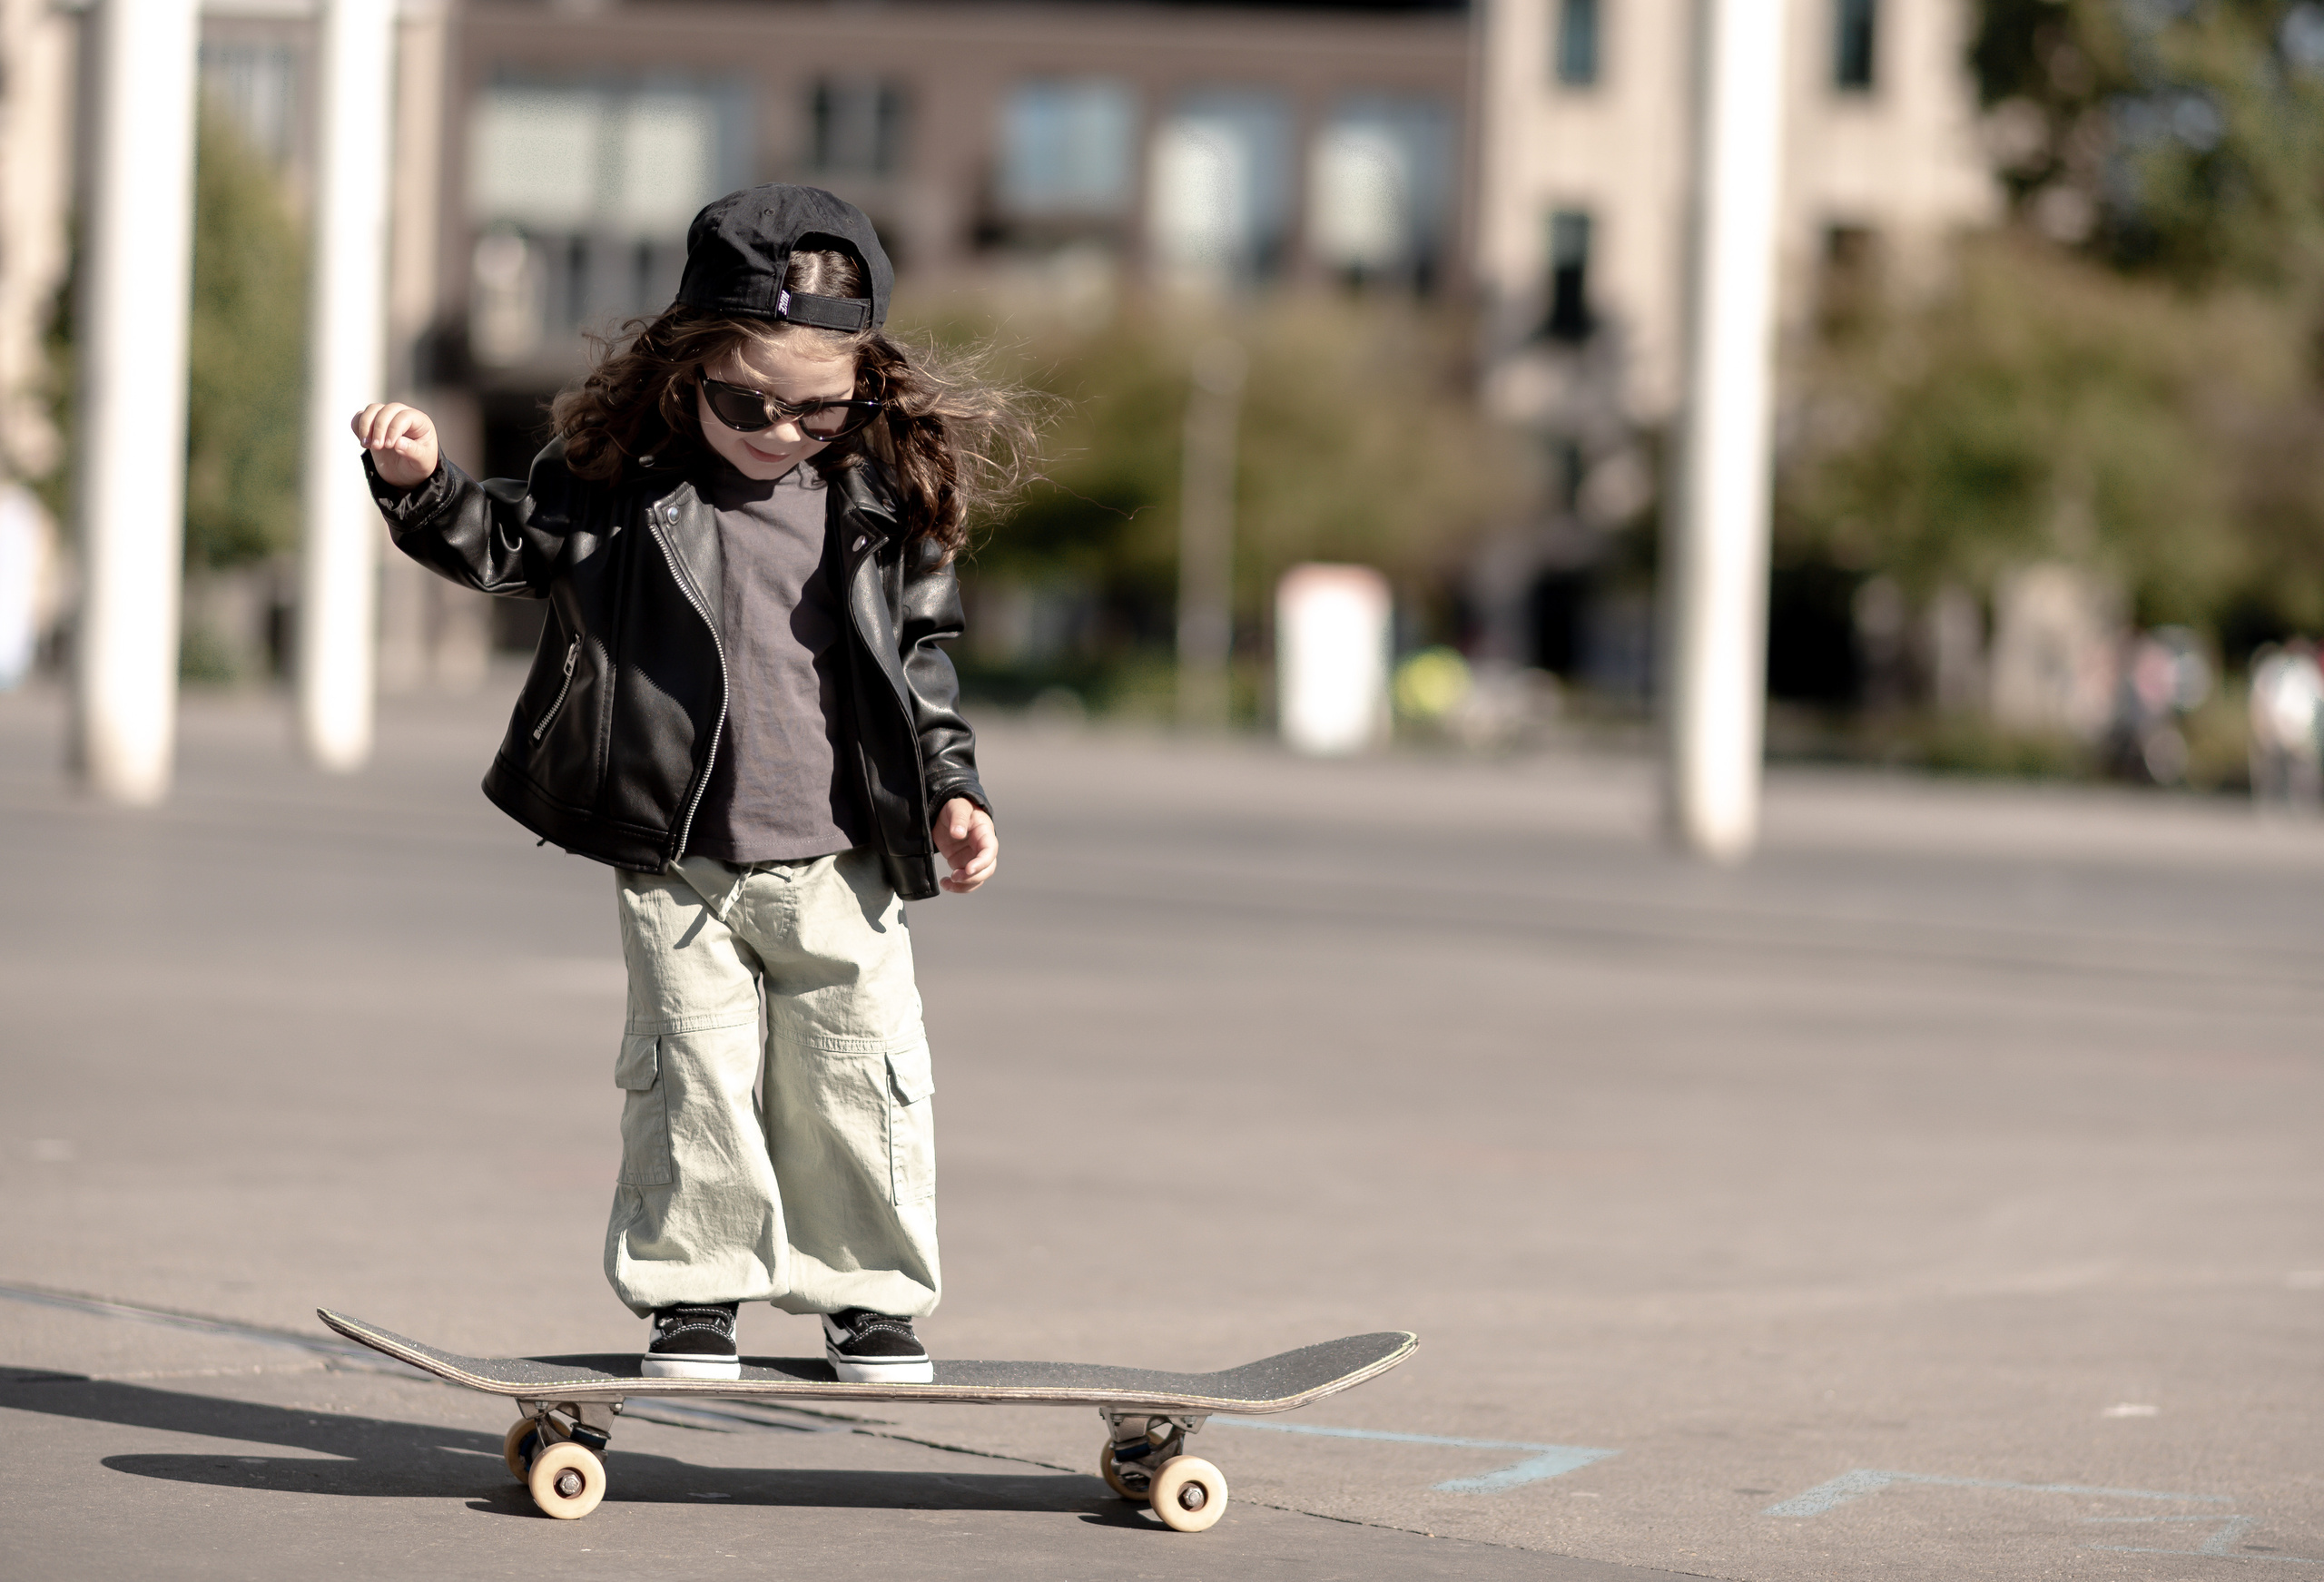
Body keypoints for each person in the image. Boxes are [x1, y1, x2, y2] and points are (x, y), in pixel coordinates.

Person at [349, 185, 1032, 1383]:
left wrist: (953, 795)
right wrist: (422, 484)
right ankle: (694, 1292)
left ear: (862, 386)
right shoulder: (617, 487)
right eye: (746, 402)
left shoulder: (880, 503)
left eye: (819, 409)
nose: (780, 432)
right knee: (691, 1079)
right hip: (680, 860)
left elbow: (917, 672)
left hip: (845, 858)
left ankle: (866, 1294)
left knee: (858, 1075)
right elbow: (504, 542)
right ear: (686, 373)